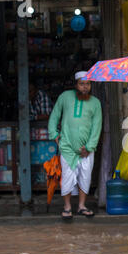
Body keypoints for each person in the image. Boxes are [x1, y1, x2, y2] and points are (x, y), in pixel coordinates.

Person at [48, 71, 102, 220]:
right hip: (67, 147)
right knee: (66, 177)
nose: (85, 87)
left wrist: (90, 147)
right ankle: (67, 207)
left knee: (85, 177)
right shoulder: (65, 97)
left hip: (86, 150)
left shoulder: (95, 103)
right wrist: (55, 135)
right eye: (82, 84)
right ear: (76, 84)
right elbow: (54, 117)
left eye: (88, 84)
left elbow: (97, 126)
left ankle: (82, 206)